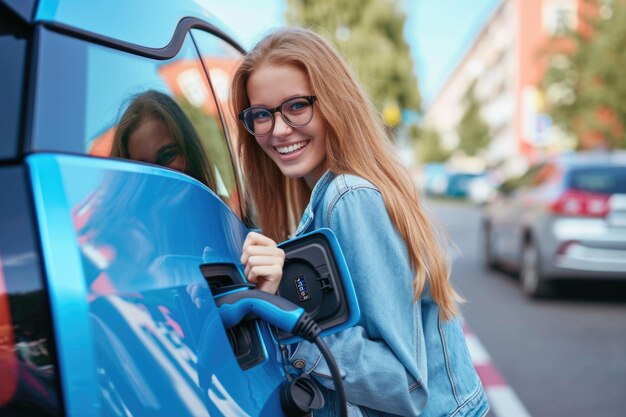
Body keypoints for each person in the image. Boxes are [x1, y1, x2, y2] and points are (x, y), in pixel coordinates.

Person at [231, 27, 490, 417]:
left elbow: (404, 384)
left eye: (297, 106)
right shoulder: (326, 196)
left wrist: (290, 321)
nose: (279, 129)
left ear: (335, 103)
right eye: (262, 114)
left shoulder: (348, 197)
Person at [111, 89, 216, 190]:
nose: (159, 178)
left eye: (167, 156)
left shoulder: (220, 207)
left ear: (190, 152)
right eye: (144, 170)